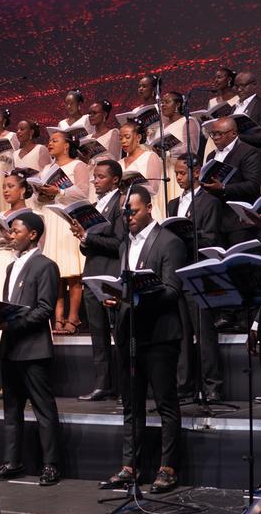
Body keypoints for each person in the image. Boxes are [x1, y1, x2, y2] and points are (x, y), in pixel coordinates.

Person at [100, 185, 185, 493]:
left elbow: (172, 291)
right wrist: (116, 298)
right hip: (131, 333)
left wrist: (137, 292)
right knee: (131, 405)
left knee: (165, 403)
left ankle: (168, 468)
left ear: (149, 207)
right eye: (125, 214)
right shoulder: (125, 244)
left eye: (133, 212)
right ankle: (130, 466)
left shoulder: (170, 242)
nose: (128, 218)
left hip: (160, 334)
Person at [0, 213, 62, 486]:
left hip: (34, 348)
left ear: (32, 235)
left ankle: (51, 464)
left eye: (16, 231)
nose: (11, 235)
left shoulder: (46, 265)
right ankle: (12, 461)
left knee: (43, 409)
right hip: (10, 346)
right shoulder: (11, 266)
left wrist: (13, 323)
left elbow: (45, 309)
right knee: (12, 408)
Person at [167, 157, 226, 402]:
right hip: (177, 272)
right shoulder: (172, 204)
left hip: (199, 272)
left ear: (197, 172)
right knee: (181, 334)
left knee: (204, 333)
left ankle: (212, 386)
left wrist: (187, 234)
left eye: (183, 173)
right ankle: (184, 386)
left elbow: (211, 238)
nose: (179, 177)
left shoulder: (210, 202)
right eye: (177, 174)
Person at [71, 160, 124, 401]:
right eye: (95, 176)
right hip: (91, 272)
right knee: (97, 333)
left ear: (115, 180)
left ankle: (125, 387)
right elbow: (87, 249)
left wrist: (89, 238)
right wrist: (83, 238)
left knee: (119, 333)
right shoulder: (93, 207)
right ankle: (102, 384)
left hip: (110, 274)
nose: (96, 181)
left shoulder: (120, 204)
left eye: (101, 177)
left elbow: (119, 243)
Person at [33, 131, 89, 334]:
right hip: (51, 219)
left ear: (66, 146)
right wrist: (41, 194)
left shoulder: (78, 166)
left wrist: (60, 191)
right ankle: (58, 318)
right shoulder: (47, 168)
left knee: (72, 272)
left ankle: (73, 318)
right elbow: (38, 200)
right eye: (49, 140)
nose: (50, 143)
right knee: (55, 273)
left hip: (68, 219)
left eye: (55, 140)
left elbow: (84, 193)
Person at [0, 168, 36, 346]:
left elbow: (37, 248)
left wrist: (11, 238)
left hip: (17, 262)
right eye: (4, 187)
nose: (5, 190)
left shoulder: (33, 217)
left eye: (11, 186)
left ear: (22, 190)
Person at [201, 116, 261, 247]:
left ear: (233, 133)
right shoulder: (211, 156)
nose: (215, 138)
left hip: (239, 223)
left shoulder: (248, 152)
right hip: (217, 222)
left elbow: (253, 185)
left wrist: (223, 188)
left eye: (219, 134)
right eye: (213, 134)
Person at [158, 91, 201, 201]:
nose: (163, 105)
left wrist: (169, 151)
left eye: (167, 102)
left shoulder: (188, 121)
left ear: (177, 104)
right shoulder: (161, 127)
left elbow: (191, 149)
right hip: (163, 171)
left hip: (179, 171)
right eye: (162, 102)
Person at [120, 120, 166, 220]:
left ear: (138, 137)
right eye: (121, 138)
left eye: (127, 137)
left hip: (145, 209)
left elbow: (154, 189)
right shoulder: (119, 163)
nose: (123, 141)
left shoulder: (150, 157)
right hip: (125, 211)